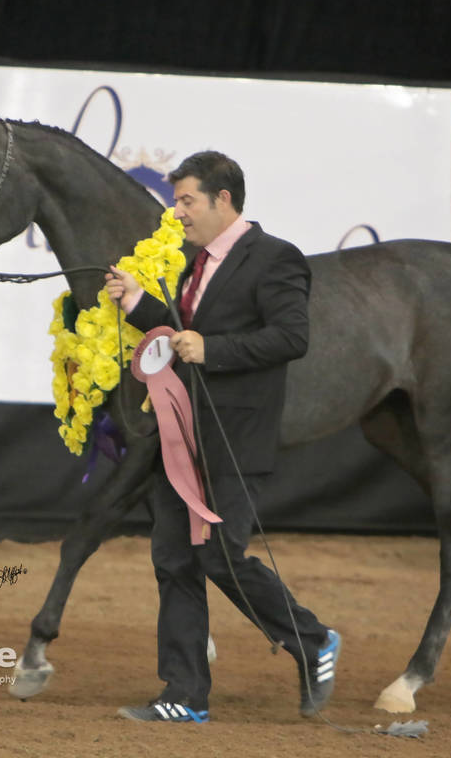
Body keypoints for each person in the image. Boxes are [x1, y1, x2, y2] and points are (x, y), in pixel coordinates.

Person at [104, 150, 340, 723]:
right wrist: (138, 303)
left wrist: (215, 350)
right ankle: (183, 696)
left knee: (220, 558)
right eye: (176, 200)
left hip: (237, 438)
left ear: (224, 200)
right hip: (181, 435)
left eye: (187, 200)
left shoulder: (276, 259)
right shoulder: (193, 263)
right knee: (173, 558)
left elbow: (290, 337)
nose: (177, 212)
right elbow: (185, 335)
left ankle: (311, 640)